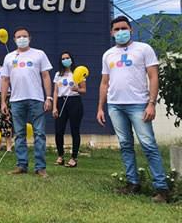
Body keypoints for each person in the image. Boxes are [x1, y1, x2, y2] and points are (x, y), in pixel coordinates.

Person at [97, 16, 169, 203]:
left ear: (131, 30)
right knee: (126, 145)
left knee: (148, 145)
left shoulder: (144, 49)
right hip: (115, 105)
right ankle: (132, 183)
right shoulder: (108, 54)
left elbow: (153, 77)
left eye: (124, 28)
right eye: (116, 29)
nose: (120, 32)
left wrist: (151, 103)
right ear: (112, 33)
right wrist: (100, 107)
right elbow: (105, 82)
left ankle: (161, 188)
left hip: (139, 104)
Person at [0, 27, 53, 178]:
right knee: (20, 134)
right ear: (14, 40)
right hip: (16, 100)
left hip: (36, 99)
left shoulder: (39, 54)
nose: (21, 39)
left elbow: (45, 76)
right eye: (18, 37)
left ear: (30, 38)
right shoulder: (9, 57)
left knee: (39, 134)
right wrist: (3, 101)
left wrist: (48, 97)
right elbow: (5, 80)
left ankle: (40, 167)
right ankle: (22, 165)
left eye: (24, 36)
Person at [52, 52, 85, 168]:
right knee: (58, 130)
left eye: (67, 58)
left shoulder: (77, 73)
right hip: (61, 102)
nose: (65, 60)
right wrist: (54, 107)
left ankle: (73, 158)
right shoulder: (58, 75)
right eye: (63, 59)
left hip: (74, 101)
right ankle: (60, 156)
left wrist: (77, 89)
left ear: (71, 59)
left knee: (74, 130)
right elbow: (56, 91)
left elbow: (83, 90)